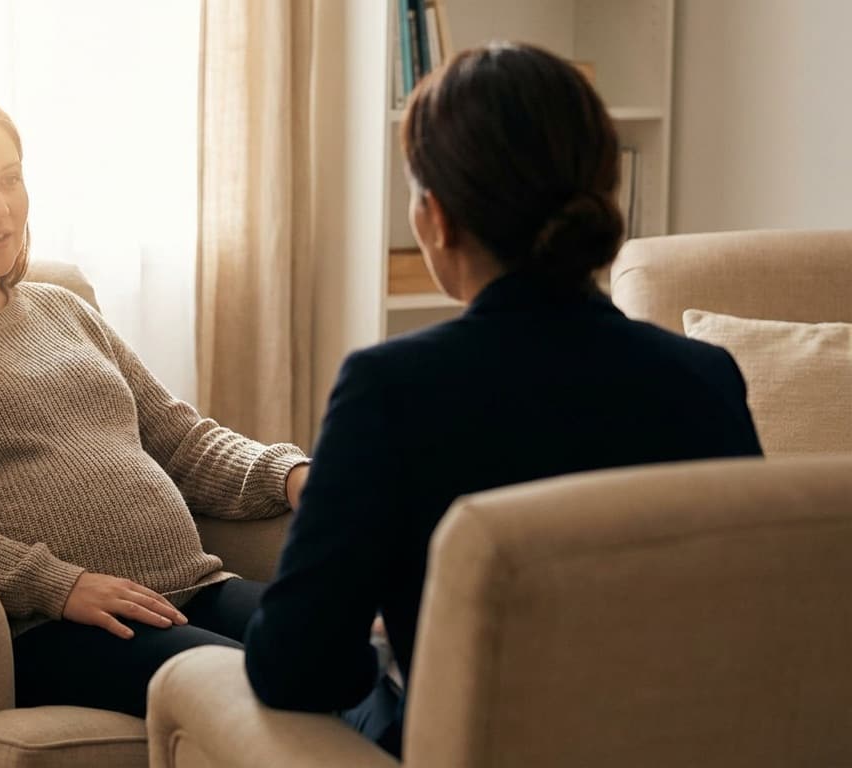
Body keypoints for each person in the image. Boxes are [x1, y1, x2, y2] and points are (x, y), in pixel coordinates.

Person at [242, 43, 763, 758]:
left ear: (436, 218)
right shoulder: (707, 376)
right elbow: (749, 618)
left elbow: (294, 665)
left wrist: (386, 654)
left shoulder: (389, 388)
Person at [0, 88, 310, 718]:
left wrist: (290, 474)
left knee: (363, 652)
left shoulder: (61, 308)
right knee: (270, 689)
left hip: (194, 589)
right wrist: (56, 585)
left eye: (9, 179)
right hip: (55, 628)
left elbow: (179, 441)